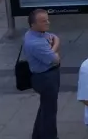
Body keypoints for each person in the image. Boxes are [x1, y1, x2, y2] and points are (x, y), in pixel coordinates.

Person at [22, 8, 61, 139]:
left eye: (47, 19)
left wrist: (52, 45)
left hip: (44, 76)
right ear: (33, 24)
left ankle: (37, 135)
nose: (48, 23)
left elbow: (53, 36)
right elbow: (56, 59)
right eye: (43, 21)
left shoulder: (33, 33)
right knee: (50, 112)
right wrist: (55, 46)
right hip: (46, 78)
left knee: (44, 108)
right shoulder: (36, 43)